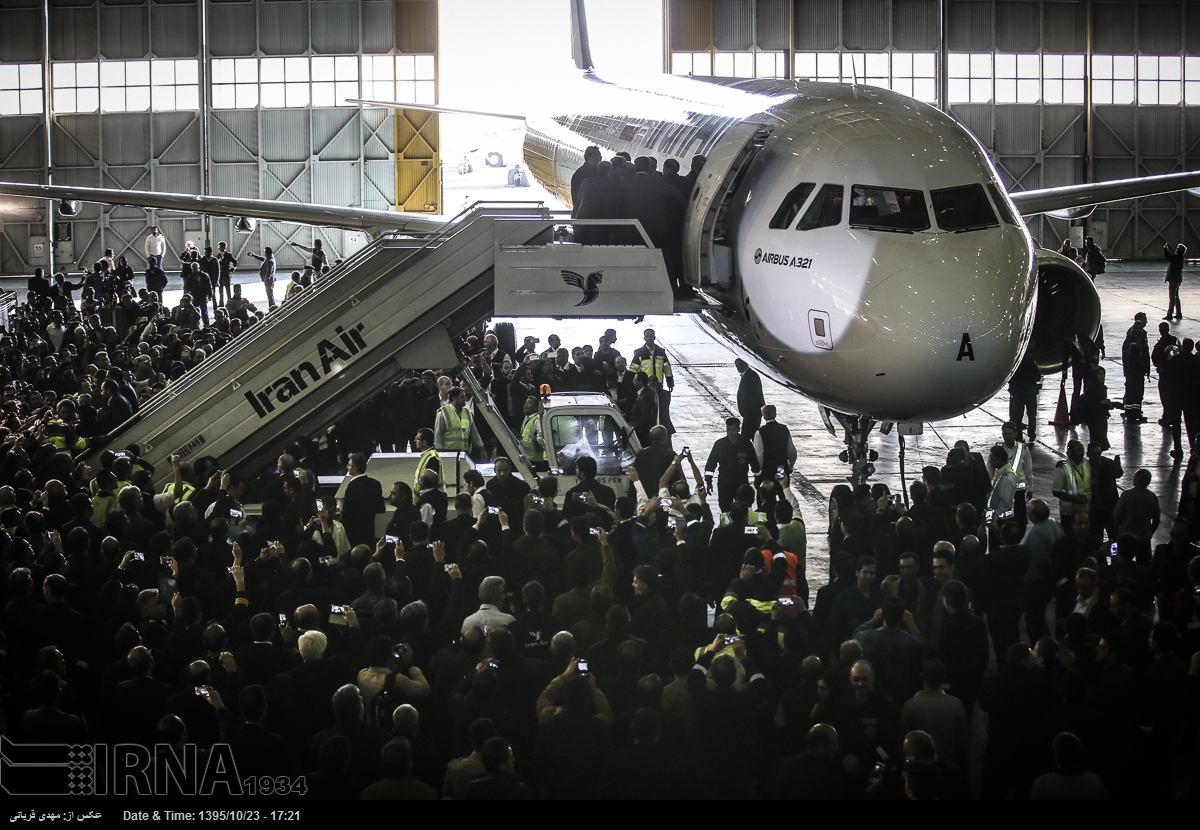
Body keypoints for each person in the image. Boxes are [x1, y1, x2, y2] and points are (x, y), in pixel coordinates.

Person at [703, 417, 760, 512]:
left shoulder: (746, 444)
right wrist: (708, 481)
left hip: (741, 482)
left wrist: (758, 479)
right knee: (725, 508)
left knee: (743, 509)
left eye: (733, 429)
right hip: (725, 483)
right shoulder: (719, 445)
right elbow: (711, 464)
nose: (730, 432)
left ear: (738, 429)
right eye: (728, 429)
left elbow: (754, 462)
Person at [631, 329, 675, 435]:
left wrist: (670, 381)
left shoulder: (661, 352)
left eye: (651, 336)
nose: (649, 338)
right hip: (645, 387)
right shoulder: (640, 353)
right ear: (644, 338)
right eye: (647, 336)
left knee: (660, 409)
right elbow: (633, 369)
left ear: (654, 337)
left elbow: (667, 368)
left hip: (658, 386)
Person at [754, 404, 797, 484]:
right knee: (781, 489)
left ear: (764, 416)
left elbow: (759, 454)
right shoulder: (784, 429)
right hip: (780, 467)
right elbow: (792, 452)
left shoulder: (760, 432)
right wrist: (790, 466)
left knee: (766, 492)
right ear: (775, 414)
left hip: (767, 468)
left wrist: (758, 472)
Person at [1121, 312, 1150, 422]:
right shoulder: (1130, 338)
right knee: (1131, 392)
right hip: (1133, 370)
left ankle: (1136, 412)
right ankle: (1130, 413)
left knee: (1138, 392)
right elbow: (1127, 357)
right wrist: (1127, 372)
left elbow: (1145, 354)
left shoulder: (1143, 337)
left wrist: (1146, 369)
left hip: (1140, 370)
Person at [1007, 352, 1042, 442]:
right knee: (1032, 415)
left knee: (1018, 416)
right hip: (1030, 392)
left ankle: (1019, 437)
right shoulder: (1031, 363)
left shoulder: (1015, 363)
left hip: (1018, 393)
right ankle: (1032, 434)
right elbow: (1038, 377)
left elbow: (1009, 378)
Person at [735, 358, 765, 441]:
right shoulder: (749, 375)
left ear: (746, 364)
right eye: (737, 365)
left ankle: (750, 453)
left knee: (746, 437)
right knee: (751, 436)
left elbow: (753, 396)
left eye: (740, 364)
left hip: (751, 414)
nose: (738, 367)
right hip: (751, 414)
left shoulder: (750, 376)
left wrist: (746, 412)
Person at [570, 145, 601, 210]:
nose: (600, 157)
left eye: (599, 155)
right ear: (589, 157)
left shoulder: (580, 173)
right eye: (596, 155)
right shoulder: (581, 174)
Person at [1164, 242, 1185, 320]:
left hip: (1174, 280)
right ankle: (1178, 313)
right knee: (1176, 297)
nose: (1176, 250)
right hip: (1177, 279)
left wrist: (1165, 249)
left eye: (1177, 249)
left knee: (1172, 297)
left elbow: (1168, 257)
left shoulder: (1177, 258)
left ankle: (1170, 314)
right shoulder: (1179, 258)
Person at [215, 241, 237, 306]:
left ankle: (229, 302)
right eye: (219, 247)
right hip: (220, 274)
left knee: (227, 288)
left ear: (224, 247)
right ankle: (221, 303)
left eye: (220, 247)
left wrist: (232, 269)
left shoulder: (228, 255)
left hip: (226, 273)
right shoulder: (218, 255)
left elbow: (235, 261)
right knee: (220, 289)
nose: (219, 248)